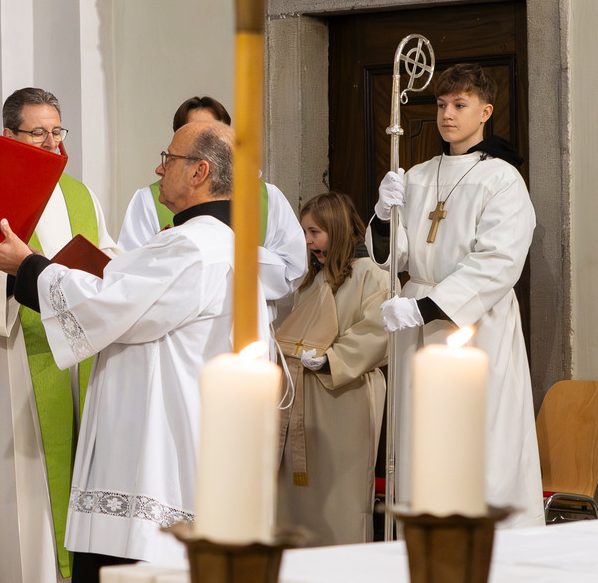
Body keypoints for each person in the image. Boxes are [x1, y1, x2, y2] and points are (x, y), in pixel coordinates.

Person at [0, 120, 240, 583]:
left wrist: (27, 265)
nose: (159, 168)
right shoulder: (221, 243)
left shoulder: (192, 246)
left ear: (200, 172)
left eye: (169, 158)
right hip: (182, 444)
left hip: (148, 465)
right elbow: (124, 289)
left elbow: (109, 305)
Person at [0, 87, 119, 583]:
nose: (53, 143)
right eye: (39, 133)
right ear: (9, 138)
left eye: (58, 132)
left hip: (71, 363)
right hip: (11, 363)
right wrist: (18, 280)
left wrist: (101, 271)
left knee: (65, 487)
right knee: (18, 501)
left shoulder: (81, 193)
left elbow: (105, 256)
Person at [367, 62, 543, 529]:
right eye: (442, 104)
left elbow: (498, 261)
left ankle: (490, 547)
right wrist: (383, 215)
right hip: (417, 324)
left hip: (475, 324)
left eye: (460, 105)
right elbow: (394, 256)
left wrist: (425, 307)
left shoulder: (502, 179)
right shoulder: (418, 175)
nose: (447, 114)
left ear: (485, 111)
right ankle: (423, 544)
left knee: (478, 439)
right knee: (421, 438)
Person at [117, 96, 306, 329]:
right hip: (181, 328)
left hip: (250, 328)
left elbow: (292, 270)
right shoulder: (149, 199)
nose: (205, 141)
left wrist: (218, 260)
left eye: (212, 131)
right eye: (194, 131)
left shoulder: (268, 196)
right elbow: (130, 271)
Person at [276, 193, 388, 545]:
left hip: (345, 395)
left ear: (337, 229)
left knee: (340, 494)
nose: (308, 242)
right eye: (304, 233)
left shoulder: (373, 276)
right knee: (297, 494)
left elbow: (379, 332)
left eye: (315, 232)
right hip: (302, 393)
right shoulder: (312, 279)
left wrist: (332, 359)